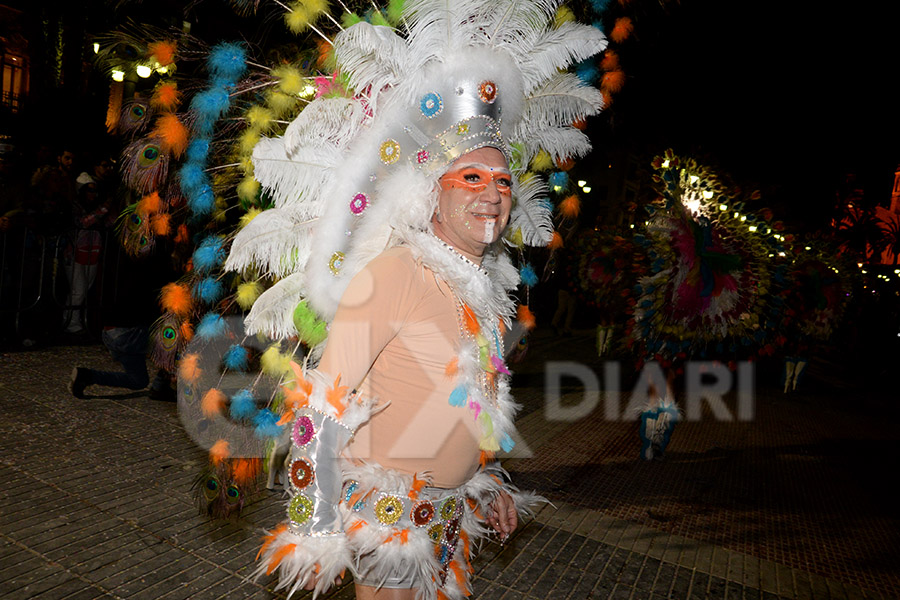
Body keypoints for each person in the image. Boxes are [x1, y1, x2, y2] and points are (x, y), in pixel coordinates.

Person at [201, 3, 609, 598]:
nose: (492, 194)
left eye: (502, 182)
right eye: (470, 178)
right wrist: (316, 529)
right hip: (390, 528)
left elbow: (471, 402)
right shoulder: (396, 273)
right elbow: (323, 406)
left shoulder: (485, 289)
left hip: (450, 522)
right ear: (431, 193)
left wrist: (487, 480)